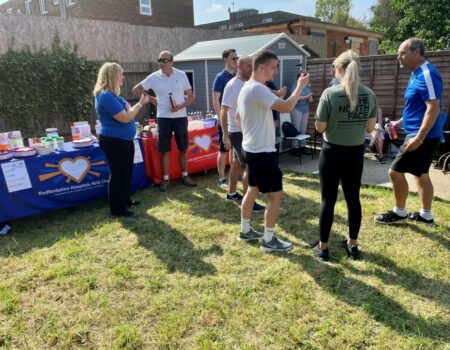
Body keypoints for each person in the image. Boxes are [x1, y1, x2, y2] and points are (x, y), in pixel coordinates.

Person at [236, 49, 309, 252]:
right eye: (274, 67)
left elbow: (238, 119)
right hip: (262, 151)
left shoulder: (247, 88)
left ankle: (245, 230)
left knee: (253, 189)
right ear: (262, 67)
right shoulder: (258, 89)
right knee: (275, 196)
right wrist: (300, 88)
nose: (275, 72)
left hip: (252, 149)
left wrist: (251, 134)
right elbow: (286, 107)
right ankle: (268, 241)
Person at [313, 50, 377, 261]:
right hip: (355, 154)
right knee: (353, 200)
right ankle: (353, 244)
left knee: (327, 200)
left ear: (339, 69)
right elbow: (370, 128)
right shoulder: (369, 94)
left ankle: (323, 247)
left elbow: (320, 128)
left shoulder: (329, 94)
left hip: (331, 153)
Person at [375, 38, 446, 225]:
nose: (399, 57)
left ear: (417, 52)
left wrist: (420, 138)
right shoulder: (416, 74)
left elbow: (433, 108)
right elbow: (417, 108)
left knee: (394, 171)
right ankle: (426, 215)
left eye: (402, 53)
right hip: (419, 133)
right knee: (421, 173)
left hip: (423, 135)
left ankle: (399, 213)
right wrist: (398, 123)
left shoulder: (427, 74)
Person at [132, 51, 197, 192]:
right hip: (163, 118)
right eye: (160, 60)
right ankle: (166, 179)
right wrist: (151, 99)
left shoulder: (181, 75)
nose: (162, 63)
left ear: (172, 62)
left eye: (165, 60)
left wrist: (180, 106)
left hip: (180, 117)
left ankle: (185, 176)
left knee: (183, 148)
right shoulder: (154, 77)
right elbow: (136, 89)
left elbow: (191, 97)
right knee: (164, 150)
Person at [94, 62, 150, 217]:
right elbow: (125, 117)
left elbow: (127, 110)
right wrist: (140, 104)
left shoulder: (113, 96)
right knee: (118, 174)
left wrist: (131, 107)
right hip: (114, 141)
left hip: (122, 140)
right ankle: (117, 209)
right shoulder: (105, 96)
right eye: (121, 74)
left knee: (126, 172)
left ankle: (125, 201)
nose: (123, 77)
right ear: (113, 76)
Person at [220, 56, 265, 213]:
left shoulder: (249, 83)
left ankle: (232, 194)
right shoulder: (232, 85)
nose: (251, 69)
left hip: (246, 131)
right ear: (239, 66)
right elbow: (223, 110)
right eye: (248, 66)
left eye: (252, 66)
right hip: (238, 132)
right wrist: (225, 135)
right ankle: (248, 203)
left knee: (237, 163)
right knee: (250, 167)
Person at [212, 49, 238, 187]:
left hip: (235, 120)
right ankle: (221, 178)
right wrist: (221, 118)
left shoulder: (236, 77)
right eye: (233, 58)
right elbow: (215, 99)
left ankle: (233, 174)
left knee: (233, 149)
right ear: (225, 60)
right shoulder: (220, 77)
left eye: (236, 58)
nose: (235, 60)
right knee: (223, 150)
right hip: (225, 120)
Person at [290, 70, 313, 152]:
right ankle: (295, 148)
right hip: (297, 109)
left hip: (305, 110)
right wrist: (307, 96)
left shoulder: (308, 86)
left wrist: (310, 97)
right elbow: (296, 97)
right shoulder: (295, 85)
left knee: (303, 129)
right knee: (296, 129)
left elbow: (310, 100)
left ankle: (302, 146)